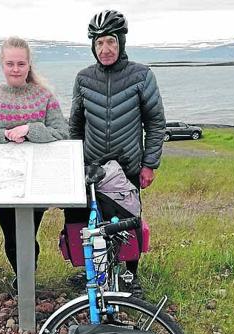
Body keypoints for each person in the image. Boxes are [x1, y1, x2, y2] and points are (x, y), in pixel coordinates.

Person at [69, 10, 166, 297]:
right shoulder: (83, 78)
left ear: (121, 42)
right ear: (93, 46)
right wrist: (74, 162)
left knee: (126, 220)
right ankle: (91, 271)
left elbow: (155, 121)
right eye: (99, 43)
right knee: (88, 222)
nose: (105, 49)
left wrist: (149, 164)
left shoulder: (141, 75)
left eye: (110, 41)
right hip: (91, 165)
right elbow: (75, 123)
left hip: (128, 166)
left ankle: (129, 275)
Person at [0, 36, 68, 291]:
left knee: (28, 233)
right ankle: (22, 278)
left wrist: (30, 129)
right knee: (11, 236)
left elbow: (62, 132)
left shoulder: (44, 97)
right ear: (2, 63)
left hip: (37, 179)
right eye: (10, 63)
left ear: (29, 64)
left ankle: (27, 278)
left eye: (20, 64)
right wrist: (4, 135)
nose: (15, 69)